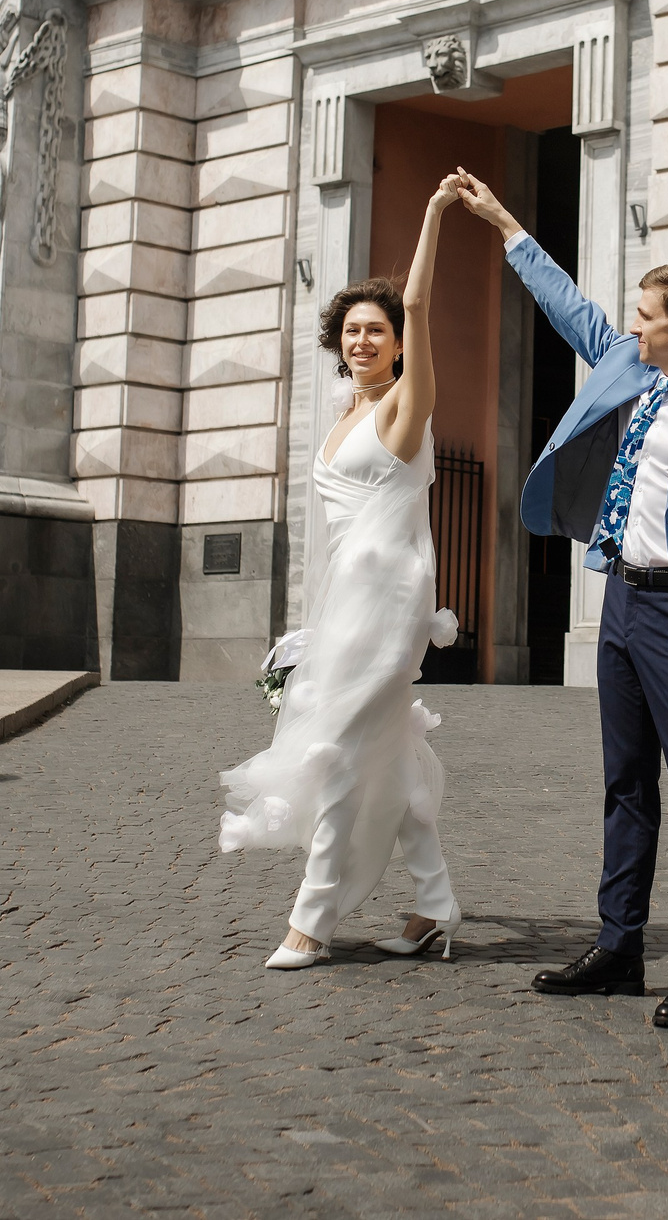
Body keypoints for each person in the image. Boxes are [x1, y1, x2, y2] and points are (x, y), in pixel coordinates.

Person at [449, 170, 668, 1029]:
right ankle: (618, 947)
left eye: (645, 316)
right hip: (619, 602)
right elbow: (570, 308)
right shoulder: (630, 369)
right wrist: (503, 221)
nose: (632, 326)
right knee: (623, 784)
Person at [218, 177, 466, 969]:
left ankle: (313, 917)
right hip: (346, 598)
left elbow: (421, 306)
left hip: (391, 596)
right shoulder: (342, 414)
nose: (363, 341)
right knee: (381, 744)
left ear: (397, 342)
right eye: (352, 330)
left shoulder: (403, 407)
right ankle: (435, 904)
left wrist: (429, 214)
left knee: (338, 747)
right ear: (338, 340)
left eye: (377, 330)